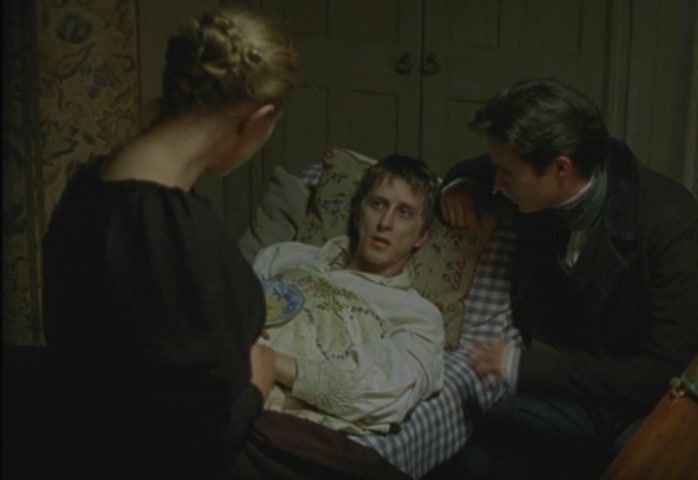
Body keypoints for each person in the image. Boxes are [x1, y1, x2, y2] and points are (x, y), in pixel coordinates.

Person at [40, 7, 297, 478]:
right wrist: (257, 385)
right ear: (257, 120)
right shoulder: (172, 233)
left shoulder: (90, 184)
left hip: (76, 436)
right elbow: (201, 439)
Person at [428, 77, 698, 479]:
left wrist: (520, 365)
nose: (498, 182)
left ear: (561, 168)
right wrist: (462, 187)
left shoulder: (672, 221)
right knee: (473, 460)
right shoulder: (539, 172)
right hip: (577, 394)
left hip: (648, 401)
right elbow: (473, 170)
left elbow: (664, 371)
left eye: (507, 174)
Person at [250, 154, 444, 434]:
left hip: (271, 418)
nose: (385, 222)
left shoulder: (417, 314)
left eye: (404, 213)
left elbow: (383, 390)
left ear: (421, 236)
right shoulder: (283, 255)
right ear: (357, 213)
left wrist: (271, 363)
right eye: (378, 204)